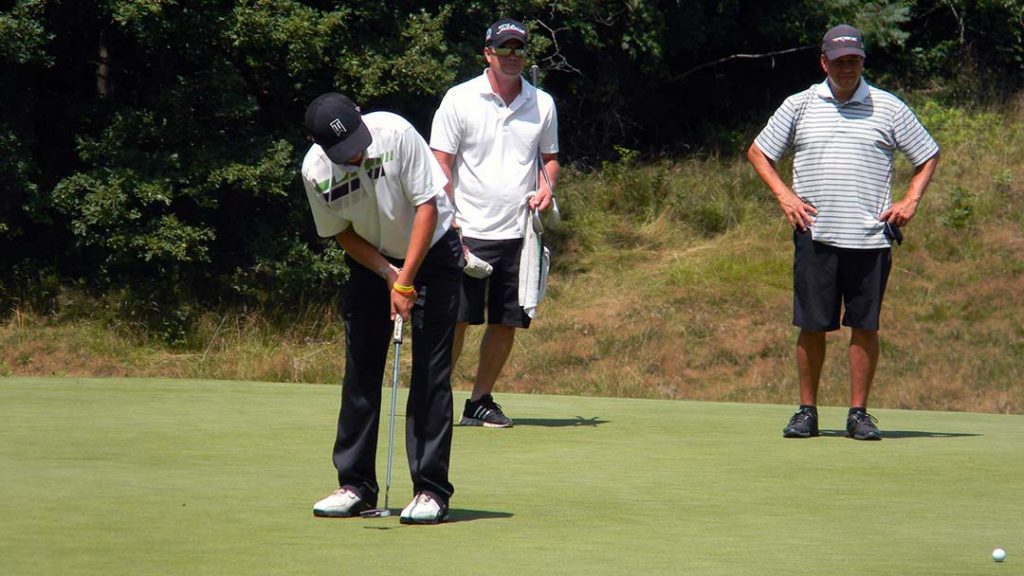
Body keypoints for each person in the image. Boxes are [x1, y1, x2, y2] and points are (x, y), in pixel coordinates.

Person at [746, 24, 940, 440]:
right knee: (812, 324)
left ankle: (858, 414)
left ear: (863, 62)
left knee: (865, 325)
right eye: (839, 61)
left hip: (871, 235)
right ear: (824, 63)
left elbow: (927, 154)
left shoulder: (888, 108)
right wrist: (784, 196)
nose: (847, 68)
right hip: (815, 232)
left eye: (853, 60)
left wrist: (911, 200)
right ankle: (806, 412)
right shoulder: (800, 105)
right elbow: (759, 152)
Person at [301, 92, 463, 523]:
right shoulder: (315, 171)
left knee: (431, 371)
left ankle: (431, 490)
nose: (353, 154)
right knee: (360, 367)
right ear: (318, 145)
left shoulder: (394, 132)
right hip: (374, 260)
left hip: (432, 250)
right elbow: (341, 233)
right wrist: (388, 274)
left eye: (356, 142)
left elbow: (428, 206)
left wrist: (407, 279)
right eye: (342, 151)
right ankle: (355, 484)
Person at [429, 18, 560, 428]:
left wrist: (547, 188)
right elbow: (440, 163)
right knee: (457, 319)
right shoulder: (459, 99)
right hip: (465, 229)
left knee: (509, 319)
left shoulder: (542, 103)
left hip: (519, 232)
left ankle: (479, 400)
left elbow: (549, 159)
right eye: (504, 48)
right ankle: (437, 398)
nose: (513, 56)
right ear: (488, 53)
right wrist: (448, 221)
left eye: (519, 48)